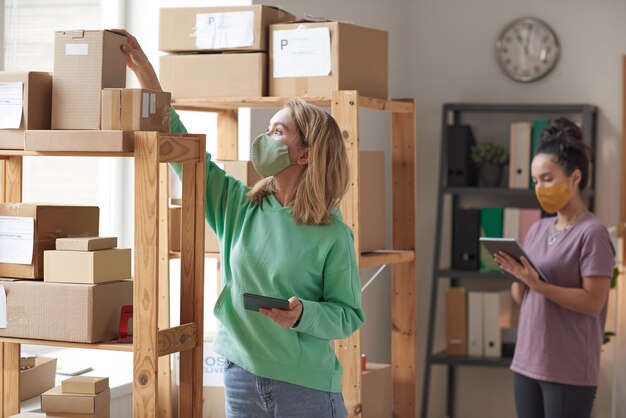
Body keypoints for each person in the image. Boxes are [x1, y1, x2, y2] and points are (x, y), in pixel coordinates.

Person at [113, 30, 365, 418]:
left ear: (305, 154)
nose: (265, 136)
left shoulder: (332, 234)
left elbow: (347, 316)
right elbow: (180, 143)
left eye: (278, 131)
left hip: (305, 389)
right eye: (269, 128)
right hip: (241, 377)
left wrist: (303, 314)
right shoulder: (238, 205)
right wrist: (147, 75)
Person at [494, 117, 614, 418]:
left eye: (547, 178)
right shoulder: (537, 229)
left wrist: (538, 285)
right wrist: (518, 278)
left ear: (575, 178)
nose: (539, 188)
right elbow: (526, 298)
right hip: (527, 360)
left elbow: (593, 302)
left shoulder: (592, 233)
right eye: (535, 181)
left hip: (568, 368)